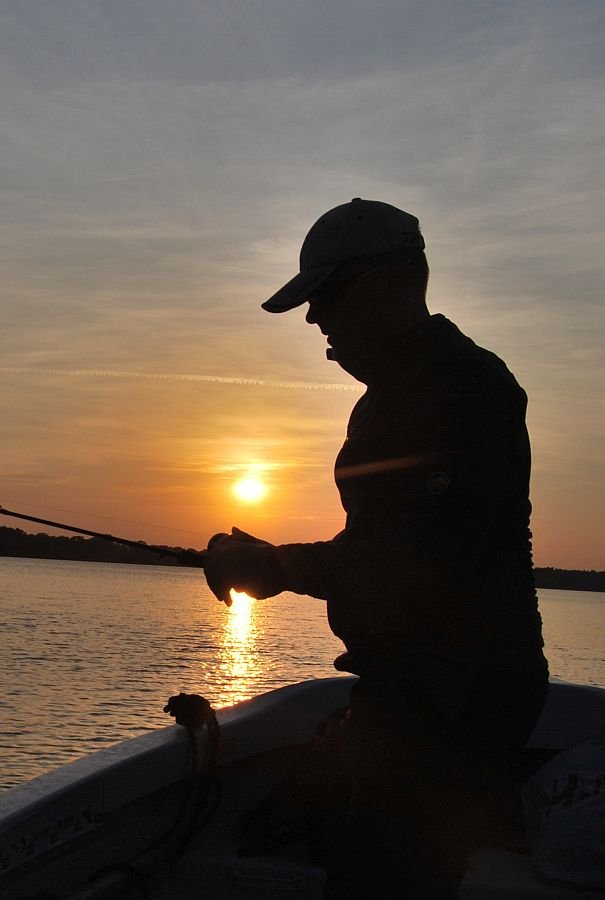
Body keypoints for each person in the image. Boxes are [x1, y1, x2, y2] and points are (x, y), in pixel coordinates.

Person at [203, 198, 549, 899]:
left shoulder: (463, 390)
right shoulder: (392, 398)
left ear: (390, 283)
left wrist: (274, 567)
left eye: (324, 295)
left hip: (454, 703)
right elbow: (380, 548)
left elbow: (416, 565)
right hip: (414, 692)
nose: (314, 318)